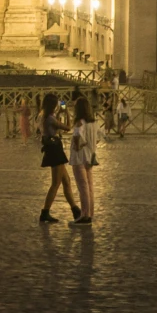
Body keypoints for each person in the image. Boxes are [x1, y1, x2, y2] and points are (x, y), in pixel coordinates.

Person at [38, 95, 79, 224]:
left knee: (66, 180)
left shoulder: (44, 116)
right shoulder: (50, 118)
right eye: (56, 104)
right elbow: (68, 127)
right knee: (55, 183)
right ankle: (45, 212)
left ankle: (75, 210)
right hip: (55, 150)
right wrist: (66, 111)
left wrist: (59, 112)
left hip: (54, 150)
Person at [68, 95, 101, 225]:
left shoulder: (80, 122)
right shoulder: (94, 123)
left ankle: (84, 215)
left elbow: (77, 137)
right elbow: (98, 138)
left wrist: (78, 145)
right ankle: (90, 213)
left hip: (80, 157)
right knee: (90, 186)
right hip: (90, 157)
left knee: (82, 187)